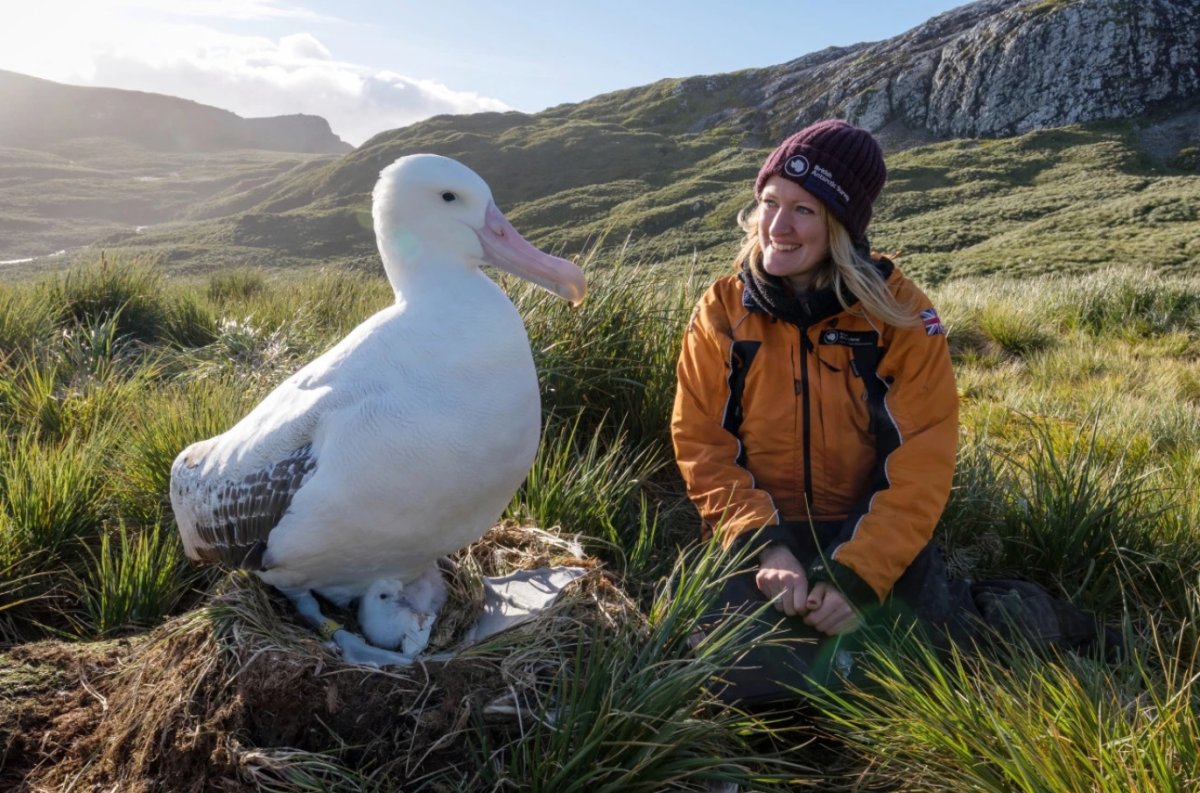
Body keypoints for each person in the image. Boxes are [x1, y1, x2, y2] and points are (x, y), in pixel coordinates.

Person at [671, 119, 966, 703]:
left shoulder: (900, 314)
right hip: (763, 529)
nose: (776, 228)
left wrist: (857, 576)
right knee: (737, 687)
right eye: (769, 203)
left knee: (911, 685)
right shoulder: (724, 309)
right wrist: (763, 544)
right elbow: (702, 442)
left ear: (842, 225)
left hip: (868, 529)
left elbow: (923, 458)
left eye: (804, 210)